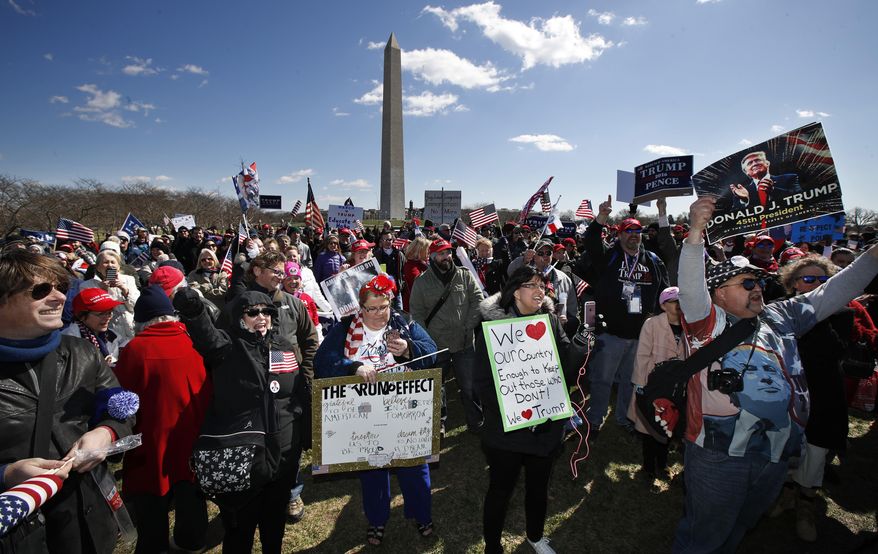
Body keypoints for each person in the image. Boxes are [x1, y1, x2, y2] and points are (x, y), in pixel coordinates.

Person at [671, 196, 878, 553]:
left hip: (777, 452)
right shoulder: (707, 323)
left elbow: (837, 288)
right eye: (746, 284)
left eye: (758, 282)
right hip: (719, 454)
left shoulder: (782, 316)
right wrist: (694, 235)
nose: (757, 289)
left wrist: (873, 256)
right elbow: (691, 287)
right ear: (719, 294)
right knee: (705, 534)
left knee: (741, 524)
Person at [0, 248, 134, 553]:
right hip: (17, 533)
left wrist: (106, 434)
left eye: (61, 288)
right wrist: (7, 474)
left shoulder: (83, 353)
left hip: (86, 519)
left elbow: (121, 409)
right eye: (42, 290)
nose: (60, 297)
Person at [173, 286, 308, 553]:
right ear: (239, 317)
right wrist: (194, 310)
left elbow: (296, 392)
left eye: (267, 311)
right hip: (243, 453)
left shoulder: (281, 345)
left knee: (273, 523)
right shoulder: (228, 345)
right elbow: (207, 337)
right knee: (239, 528)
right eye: (252, 312)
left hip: (283, 452)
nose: (261, 317)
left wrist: (305, 434)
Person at [314, 274, 438, 546]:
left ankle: (421, 514)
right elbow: (322, 361)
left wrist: (408, 350)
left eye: (384, 306)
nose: (379, 313)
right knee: (372, 469)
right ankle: (377, 520)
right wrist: (352, 366)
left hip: (403, 409)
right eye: (372, 308)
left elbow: (433, 352)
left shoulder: (403, 322)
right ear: (361, 308)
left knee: (414, 467)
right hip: (365, 414)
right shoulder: (346, 328)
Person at [769, 255, 878, 541]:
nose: (816, 284)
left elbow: (834, 352)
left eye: (823, 280)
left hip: (824, 393)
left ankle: (806, 506)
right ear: (793, 284)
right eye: (809, 279)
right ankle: (786, 494)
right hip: (790, 393)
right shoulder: (781, 313)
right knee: (788, 448)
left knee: (816, 452)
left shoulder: (841, 315)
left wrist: (821, 316)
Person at [473, 266, 572, 554]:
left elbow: (565, 366)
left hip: (545, 425)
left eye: (543, 285)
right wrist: (514, 414)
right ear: (516, 291)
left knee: (538, 487)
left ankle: (535, 536)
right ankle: (492, 544)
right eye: (532, 285)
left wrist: (580, 345)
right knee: (500, 490)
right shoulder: (492, 329)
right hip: (505, 429)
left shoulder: (551, 323)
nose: (540, 291)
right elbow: (482, 381)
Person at [113, 286, 212, 553]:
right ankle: (192, 540)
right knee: (191, 491)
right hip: (193, 433)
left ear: (141, 321)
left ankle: (154, 546)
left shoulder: (135, 349)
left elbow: (122, 397)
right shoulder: (194, 341)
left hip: (151, 438)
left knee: (151, 498)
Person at [577, 196, 669, 440]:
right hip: (611, 334)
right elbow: (591, 242)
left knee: (631, 380)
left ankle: (623, 418)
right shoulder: (610, 257)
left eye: (637, 231)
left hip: (640, 335)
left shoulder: (652, 261)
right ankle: (594, 419)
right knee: (602, 380)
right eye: (628, 231)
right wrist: (602, 217)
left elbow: (663, 290)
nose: (633, 235)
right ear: (619, 235)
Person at [409, 239, 485, 434]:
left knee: (469, 386)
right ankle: (439, 424)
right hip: (437, 344)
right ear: (432, 257)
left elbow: (478, 301)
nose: (447, 256)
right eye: (442, 253)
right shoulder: (422, 282)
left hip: (465, 342)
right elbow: (416, 314)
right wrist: (426, 339)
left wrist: (469, 326)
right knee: (437, 387)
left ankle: (476, 421)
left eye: (448, 252)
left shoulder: (464, 276)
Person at [628, 286, 686, 482]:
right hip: (653, 386)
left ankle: (662, 464)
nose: (679, 305)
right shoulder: (652, 324)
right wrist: (640, 384)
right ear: (663, 305)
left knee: (668, 426)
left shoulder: (689, 325)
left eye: (681, 301)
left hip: (675, 388)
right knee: (650, 428)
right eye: (674, 301)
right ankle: (648, 468)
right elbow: (642, 355)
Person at [80, 249, 140, 346]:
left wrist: (125, 290)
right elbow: (92, 313)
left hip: (132, 329)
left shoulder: (129, 280)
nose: (110, 265)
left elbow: (137, 307)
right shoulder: (87, 285)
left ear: (118, 266)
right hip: (109, 335)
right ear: (98, 267)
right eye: (105, 262)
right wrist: (103, 291)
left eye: (113, 262)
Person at [61, 288, 124, 366]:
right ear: (82, 316)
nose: (108, 317)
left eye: (109, 312)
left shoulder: (112, 334)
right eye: (101, 314)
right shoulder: (69, 340)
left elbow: (124, 343)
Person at [726, 151, 802, 211]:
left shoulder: (790, 178)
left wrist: (774, 191)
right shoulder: (741, 192)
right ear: (746, 172)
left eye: (757, 160)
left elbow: (802, 198)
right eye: (750, 163)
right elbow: (733, 217)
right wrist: (745, 201)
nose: (754, 164)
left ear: (767, 164)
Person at [401, 236, 430, 313]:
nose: (429, 253)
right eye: (427, 250)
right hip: (413, 309)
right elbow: (422, 285)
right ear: (420, 251)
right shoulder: (411, 267)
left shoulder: (420, 263)